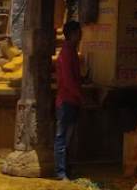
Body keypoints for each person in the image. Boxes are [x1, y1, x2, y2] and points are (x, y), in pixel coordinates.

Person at [54, 20, 83, 181]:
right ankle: (60, 172)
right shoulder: (66, 53)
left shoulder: (71, 52)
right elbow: (67, 81)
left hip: (71, 100)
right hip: (66, 101)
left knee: (68, 138)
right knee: (62, 138)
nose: (81, 36)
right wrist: (79, 95)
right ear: (72, 34)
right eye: (79, 33)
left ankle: (66, 170)